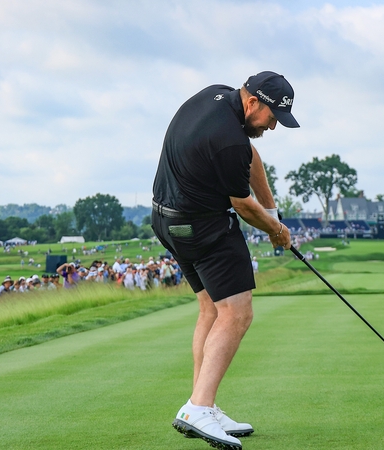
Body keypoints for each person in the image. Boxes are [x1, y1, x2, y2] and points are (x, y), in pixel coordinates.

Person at [151, 71, 297, 449]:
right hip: (201, 225)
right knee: (238, 312)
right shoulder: (230, 139)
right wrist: (275, 230)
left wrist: (273, 211)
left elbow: (253, 159)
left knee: (212, 310)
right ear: (253, 104)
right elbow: (242, 205)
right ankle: (198, 406)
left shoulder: (217, 95)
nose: (274, 126)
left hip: (166, 221)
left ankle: (202, 404)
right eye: (272, 118)